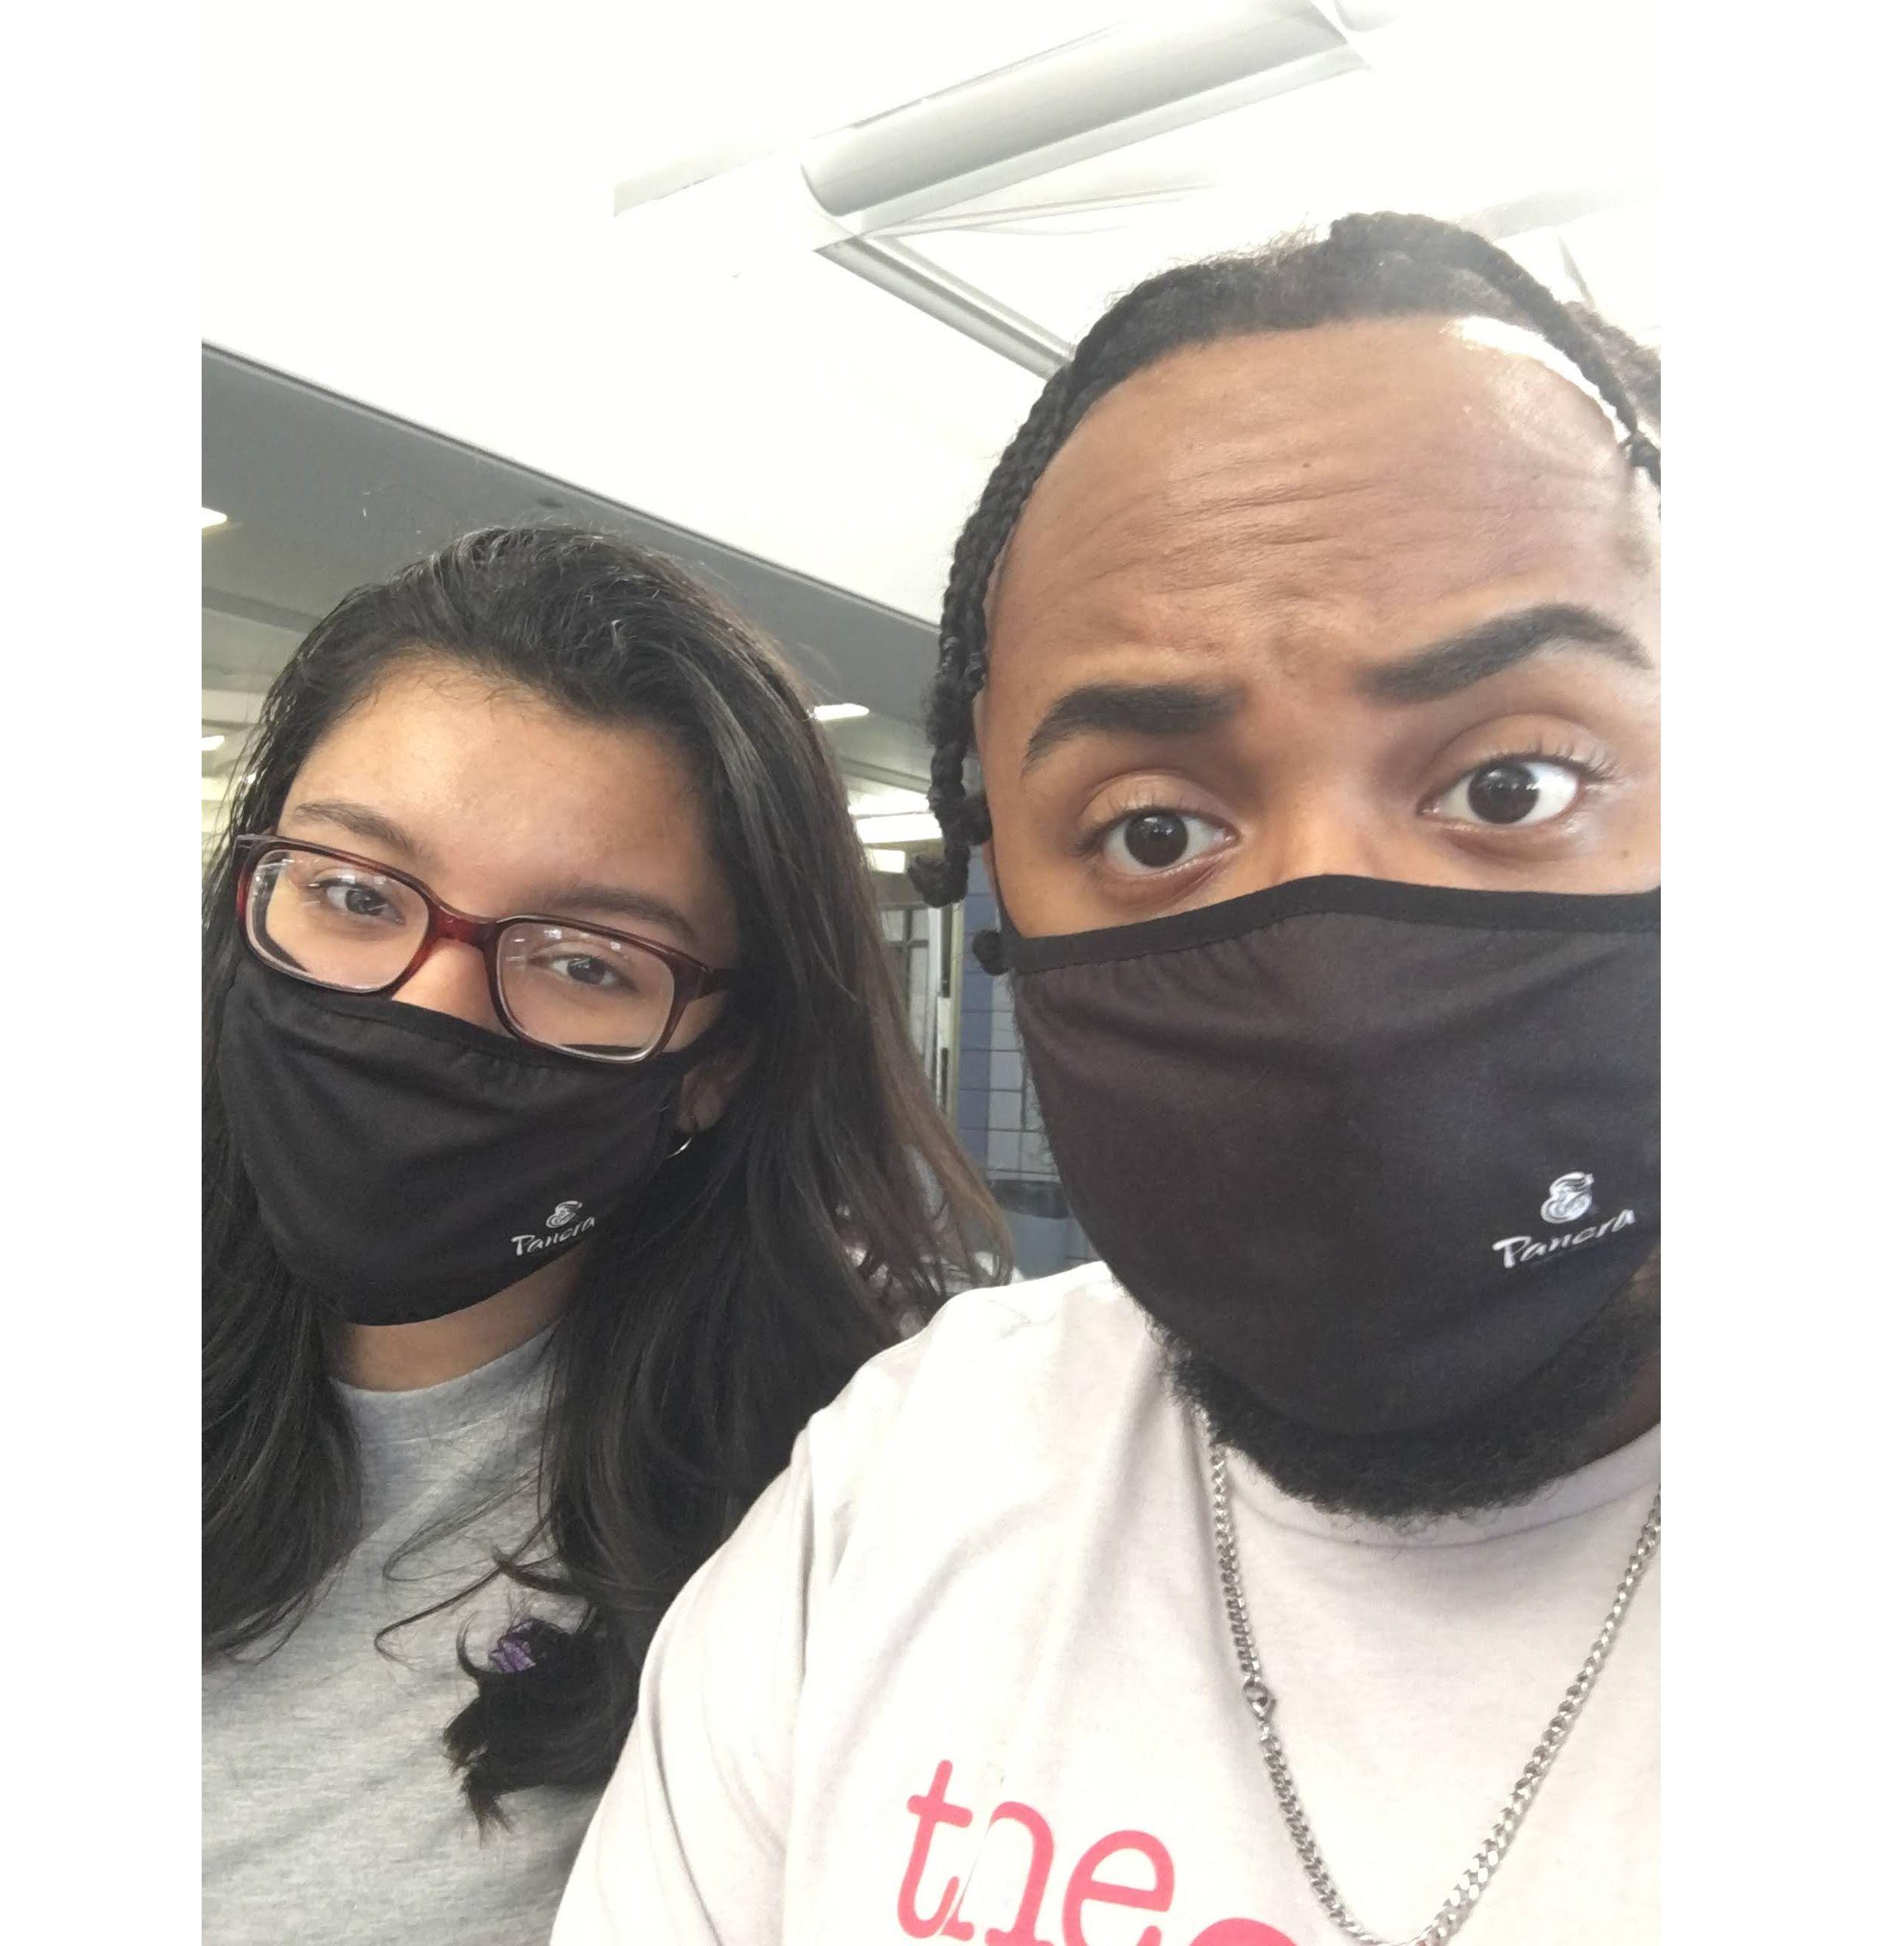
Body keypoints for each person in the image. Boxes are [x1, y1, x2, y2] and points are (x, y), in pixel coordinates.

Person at [555, 213, 1662, 1946]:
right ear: (998, 878)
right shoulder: (895, 1495)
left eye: (1512, 784)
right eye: (1155, 830)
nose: (1333, 990)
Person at [202, 525, 1005, 1946]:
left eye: (584, 961)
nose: (428, 1004)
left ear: (714, 1066)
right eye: (356, 893)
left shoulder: (829, 1520)